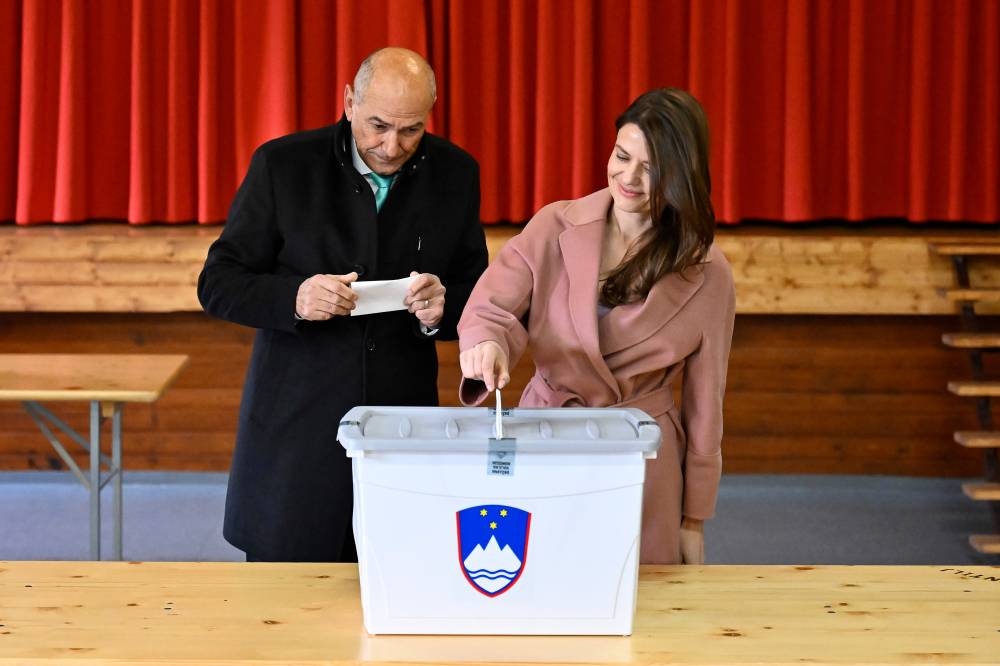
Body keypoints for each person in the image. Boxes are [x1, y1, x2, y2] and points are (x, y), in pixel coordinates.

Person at [198, 48, 488, 562]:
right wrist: (295, 297)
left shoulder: (456, 173)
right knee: (285, 593)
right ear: (350, 102)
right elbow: (218, 282)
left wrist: (443, 308)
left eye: (411, 130)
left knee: (399, 576)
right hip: (296, 424)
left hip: (401, 422)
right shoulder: (283, 165)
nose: (392, 146)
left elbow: (475, 294)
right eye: (378, 125)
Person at [457, 88, 735, 565]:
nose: (629, 178)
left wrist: (693, 520)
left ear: (681, 175)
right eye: (622, 156)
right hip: (547, 437)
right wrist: (486, 344)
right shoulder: (553, 225)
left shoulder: (708, 272)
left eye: (651, 169)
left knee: (642, 598)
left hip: (641, 454)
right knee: (535, 582)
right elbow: (491, 307)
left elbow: (705, 406)